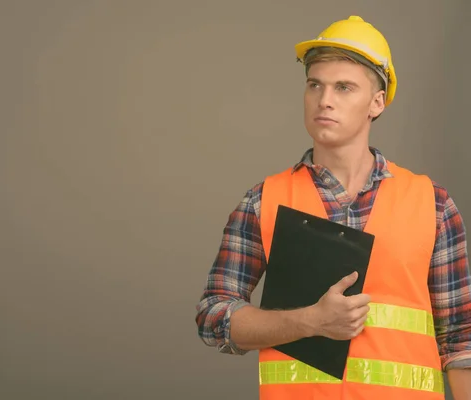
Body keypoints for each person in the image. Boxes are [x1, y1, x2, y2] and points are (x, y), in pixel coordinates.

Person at [194, 15, 471, 400]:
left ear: (377, 102)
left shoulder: (433, 204)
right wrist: (308, 321)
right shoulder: (264, 201)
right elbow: (213, 316)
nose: (325, 99)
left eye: (344, 88)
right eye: (315, 85)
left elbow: (461, 340)